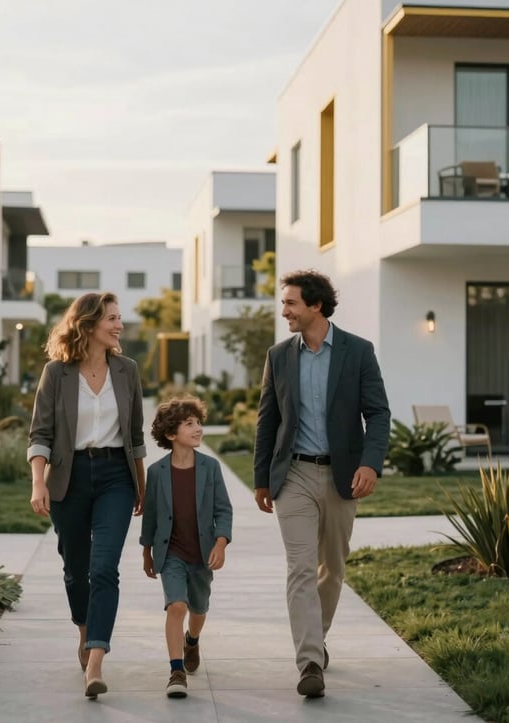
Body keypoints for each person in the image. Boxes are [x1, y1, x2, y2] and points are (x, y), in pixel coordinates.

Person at [253, 269, 390, 699]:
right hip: (292, 474)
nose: (285, 311)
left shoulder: (358, 351)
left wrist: (371, 464)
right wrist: (261, 478)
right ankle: (310, 660)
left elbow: (379, 413)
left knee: (331, 568)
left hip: (342, 475)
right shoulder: (279, 356)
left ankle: (317, 636)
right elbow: (267, 420)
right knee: (299, 568)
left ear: (315, 305)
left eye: (291, 303)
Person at [28, 291, 146, 699]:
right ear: (89, 324)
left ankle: (96, 658)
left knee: (104, 568)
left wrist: (141, 486)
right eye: (112, 318)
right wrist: (38, 481)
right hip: (69, 477)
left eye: (119, 318)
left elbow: (135, 437)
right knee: (76, 569)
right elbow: (40, 433)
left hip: (116, 475)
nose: (119, 325)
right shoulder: (56, 373)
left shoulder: (127, 370)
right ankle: (84, 630)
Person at [140, 395, 233, 699]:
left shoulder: (210, 467)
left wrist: (221, 543)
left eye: (199, 423)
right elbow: (151, 516)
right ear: (171, 434)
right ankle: (176, 670)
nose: (198, 429)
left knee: (199, 607)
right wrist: (146, 551)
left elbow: (223, 510)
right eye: (189, 424)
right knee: (176, 605)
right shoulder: (156, 473)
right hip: (171, 553)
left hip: (203, 553)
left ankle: (192, 639)